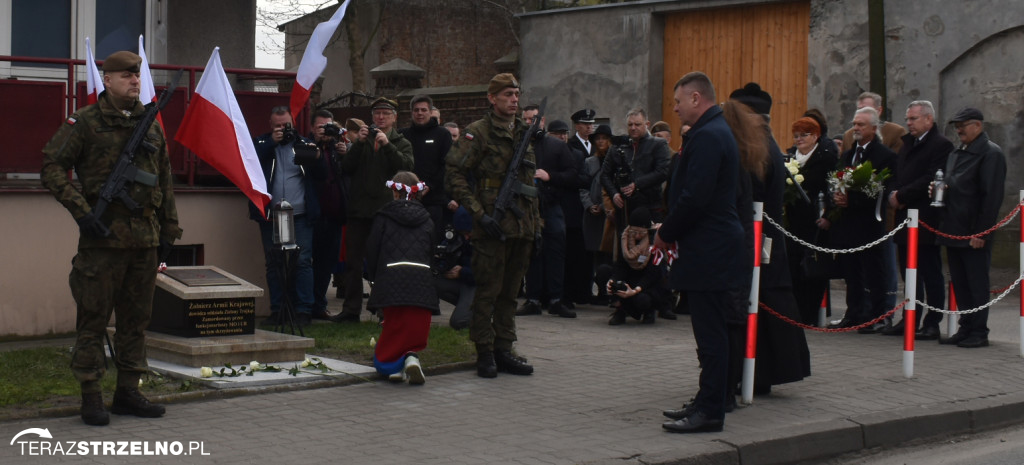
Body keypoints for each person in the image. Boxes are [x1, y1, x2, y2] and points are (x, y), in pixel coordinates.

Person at [40, 50, 182, 426]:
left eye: (137, 76)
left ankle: (128, 392)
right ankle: (91, 395)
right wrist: (82, 212)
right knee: (93, 319)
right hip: (102, 243)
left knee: (136, 321)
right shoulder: (85, 122)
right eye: (126, 76)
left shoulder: (150, 124)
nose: (134, 81)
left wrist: (170, 230)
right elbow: (52, 166)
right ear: (107, 80)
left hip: (144, 242)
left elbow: (164, 179)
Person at [656, 71, 746, 433]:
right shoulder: (711, 131)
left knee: (711, 334)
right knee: (709, 332)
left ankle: (710, 410)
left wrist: (667, 233)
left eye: (678, 102)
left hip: (710, 246)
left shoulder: (709, 136)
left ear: (696, 99)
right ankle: (707, 399)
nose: (675, 109)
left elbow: (695, 196)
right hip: (710, 244)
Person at [445, 73, 539, 378]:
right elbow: (454, 175)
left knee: (511, 293)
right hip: (491, 225)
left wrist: (535, 225)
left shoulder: (525, 131)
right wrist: (478, 213)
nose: (514, 99)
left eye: (516, 93)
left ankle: (504, 348)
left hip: (521, 225)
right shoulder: (478, 133)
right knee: (488, 291)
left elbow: (527, 183)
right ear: (492, 98)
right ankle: (484, 352)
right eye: (507, 94)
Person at [333, 97, 414, 323]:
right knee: (353, 263)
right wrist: (358, 144)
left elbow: (406, 168)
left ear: (394, 118)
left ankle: (383, 309)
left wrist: (387, 145)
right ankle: (351, 309)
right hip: (359, 210)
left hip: (387, 211)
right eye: (377, 113)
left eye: (385, 114)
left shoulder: (401, 141)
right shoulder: (363, 139)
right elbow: (346, 167)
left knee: (384, 262)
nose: (381, 117)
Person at [936, 107, 1006, 348]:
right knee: (960, 282)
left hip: (973, 230)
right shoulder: (958, 152)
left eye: (963, 125)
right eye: (957, 124)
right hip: (953, 227)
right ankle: (965, 327)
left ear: (977, 125)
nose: (958, 129)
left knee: (976, 283)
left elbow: (991, 197)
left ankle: (978, 330)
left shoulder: (990, 154)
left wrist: (982, 233)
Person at [824, 107, 896, 332]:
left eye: (861, 124)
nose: (855, 128)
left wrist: (852, 200)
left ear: (874, 128)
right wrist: (836, 196)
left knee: (874, 272)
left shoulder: (885, 156)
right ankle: (854, 313)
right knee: (851, 271)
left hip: (869, 224)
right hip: (848, 224)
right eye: (854, 124)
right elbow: (837, 179)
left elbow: (880, 189)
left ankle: (877, 315)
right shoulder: (847, 155)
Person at [251, 107, 324, 328]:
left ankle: (303, 310)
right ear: (271, 125)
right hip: (272, 215)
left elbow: (323, 175)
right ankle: (278, 309)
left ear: (293, 123)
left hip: (300, 214)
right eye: (278, 126)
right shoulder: (262, 143)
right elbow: (249, 161)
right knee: (274, 264)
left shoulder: (303, 144)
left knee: (302, 262)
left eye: (286, 125)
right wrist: (272, 142)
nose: (283, 129)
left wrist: (316, 155)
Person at [885, 100, 952, 339]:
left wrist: (902, 195)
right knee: (908, 271)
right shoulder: (907, 145)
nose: (909, 123)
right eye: (908, 118)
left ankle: (932, 321)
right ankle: (910, 317)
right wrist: (893, 192)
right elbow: (897, 173)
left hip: (926, 218)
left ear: (928, 120)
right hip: (904, 219)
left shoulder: (941, 145)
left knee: (929, 271)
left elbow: (931, 178)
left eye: (913, 119)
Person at [367, 171, 438, 384]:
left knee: (393, 327)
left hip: (391, 279)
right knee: (413, 329)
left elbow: (372, 250)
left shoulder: (383, 217)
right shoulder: (427, 219)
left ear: (395, 193)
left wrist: (373, 278)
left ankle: (394, 367)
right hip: (421, 282)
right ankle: (410, 357)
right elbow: (432, 251)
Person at [516, 114, 578, 319]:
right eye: (526, 118)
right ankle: (533, 299)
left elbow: (572, 175)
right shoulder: (518, 144)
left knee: (555, 252)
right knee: (531, 252)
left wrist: (550, 176)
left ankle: (555, 300)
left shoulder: (557, 146)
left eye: (534, 118)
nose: (530, 122)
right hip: (527, 207)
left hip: (552, 206)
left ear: (543, 121)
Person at [785, 117, 839, 324]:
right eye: (796, 135)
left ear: (815, 136)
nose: (799, 139)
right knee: (793, 267)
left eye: (804, 135)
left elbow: (832, 188)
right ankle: (794, 313)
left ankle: (809, 315)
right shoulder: (790, 157)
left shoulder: (826, 158)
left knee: (813, 269)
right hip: (793, 222)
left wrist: (828, 216)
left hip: (816, 221)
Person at [600, 108, 673, 235]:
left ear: (647, 124)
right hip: (624, 209)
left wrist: (637, 184)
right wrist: (614, 194)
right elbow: (604, 174)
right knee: (626, 249)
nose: (633, 128)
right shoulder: (617, 146)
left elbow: (663, 171)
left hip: (651, 206)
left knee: (649, 250)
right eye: (630, 124)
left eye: (637, 124)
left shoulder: (658, 145)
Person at [596, 207, 671, 325]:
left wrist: (636, 290)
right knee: (604, 272)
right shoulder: (625, 239)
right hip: (629, 278)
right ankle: (620, 308)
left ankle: (649, 311)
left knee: (643, 299)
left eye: (640, 232)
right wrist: (613, 280)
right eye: (633, 231)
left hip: (647, 284)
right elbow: (620, 265)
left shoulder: (654, 244)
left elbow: (653, 275)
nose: (636, 235)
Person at [309, 109, 349, 320]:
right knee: (307, 263)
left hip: (334, 216)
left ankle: (319, 305)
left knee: (326, 264)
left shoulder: (338, 148)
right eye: (320, 127)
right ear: (312, 128)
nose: (325, 131)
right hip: (312, 215)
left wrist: (346, 153)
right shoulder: (307, 147)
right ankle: (307, 305)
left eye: (328, 126)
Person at [400, 94, 455, 244]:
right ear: (411, 112)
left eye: (424, 110)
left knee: (431, 242)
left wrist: (429, 185)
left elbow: (446, 164)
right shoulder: (403, 135)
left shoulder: (442, 134)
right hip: (407, 199)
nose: (420, 113)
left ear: (430, 112)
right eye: (416, 110)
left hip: (433, 199)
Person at [581, 124, 616, 305]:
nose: (601, 141)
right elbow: (583, 187)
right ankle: (600, 290)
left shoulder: (616, 160)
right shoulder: (589, 162)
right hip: (593, 216)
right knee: (595, 254)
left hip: (610, 215)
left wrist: (607, 206)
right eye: (598, 138)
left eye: (604, 138)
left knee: (609, 254)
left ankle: (610, 290)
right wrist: (589, 205)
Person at [433, 207, 476, 330]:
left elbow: (488, 274)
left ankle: (481, 309)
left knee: (459, 322)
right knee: (433, 282)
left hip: (478, 284)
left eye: (469, 233)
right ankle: (468, 308)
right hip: (464, 281)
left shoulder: (486, 241)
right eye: (463, 234)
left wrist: (462, 272)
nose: (466, 237)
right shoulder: (456, 237)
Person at [842, 91, 907, 154]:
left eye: (866, 109)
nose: (861, 113)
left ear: (879, 110)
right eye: (859, 109)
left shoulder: (896, 132)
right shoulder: (848, 136)